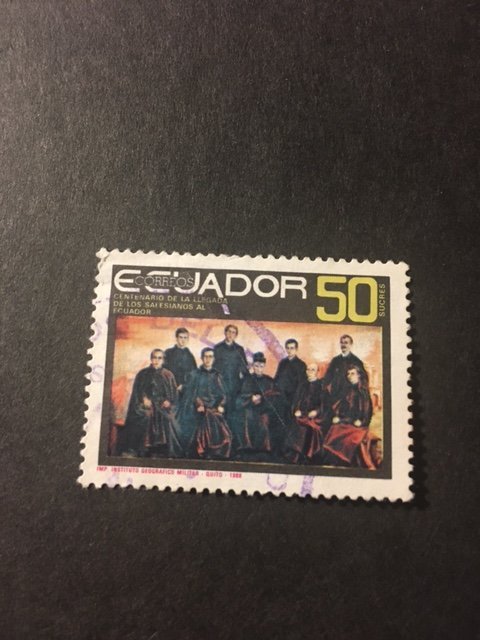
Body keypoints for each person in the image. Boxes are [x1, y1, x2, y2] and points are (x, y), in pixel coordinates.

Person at [123, 349, 183, 458]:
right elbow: (137, 393)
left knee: (168, 418)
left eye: (159, 358)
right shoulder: (142, 374)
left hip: (162, 406)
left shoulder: (168, 375)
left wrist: (168, 401)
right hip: (146, 405)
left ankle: (162, 449)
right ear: (151, 359)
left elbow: (174, 396)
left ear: (163, 360)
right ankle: (143, 448)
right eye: (154, 357)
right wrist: (143, 398)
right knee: (146, 415)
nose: (156, 360)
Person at [323, 365, 381, 469]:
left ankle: (349, 463)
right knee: (334, 430)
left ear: (359, 375)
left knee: (351, 439)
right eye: (348, 374)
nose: (350, 376)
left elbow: (367, 413)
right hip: (346, 422)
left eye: (352, 374)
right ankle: (337, 462)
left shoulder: (363, 392)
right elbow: (342, 409)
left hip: (359, 425)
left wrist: (361, 422)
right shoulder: (347, 391)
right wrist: (338, 417)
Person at [182, 347, 232, 459]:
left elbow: (223, 394)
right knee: (207, 416)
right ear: (201, 358)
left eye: (210, 357)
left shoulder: (217, 375)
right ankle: (205, 449)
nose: (208, 359)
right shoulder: (195, 374)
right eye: (205, 356)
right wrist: (199, 404)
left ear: (214, 359)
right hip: (198, 407)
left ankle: (216, 451)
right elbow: (191, 394)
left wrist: (221, 405)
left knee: (215, 418)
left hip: (214, 407)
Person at [235, 352, 282, 459]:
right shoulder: (247, 380)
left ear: (264, 366)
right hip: (249, 408)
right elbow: (240, 397)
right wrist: (251, 399)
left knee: (263, 421)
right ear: (253, 366)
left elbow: (274, 397)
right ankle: (247, 446)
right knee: (246, 417)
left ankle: (263, 448)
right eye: (256, 366)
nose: (258, 369)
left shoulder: (269, 381)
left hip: (264, 409)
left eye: (261, 366)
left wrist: (262, 399)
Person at [284, 363, 327, 464]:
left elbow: (324, 405)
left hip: (315, 416)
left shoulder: (321, 387)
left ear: (317, 372)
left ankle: (308, 455)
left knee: (310, 426)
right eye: (308, 370)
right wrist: (297, 409)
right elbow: (296, 402)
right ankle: (296, 454)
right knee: (296, 422)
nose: (310, 372)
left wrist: (316, 412)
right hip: (302, 414)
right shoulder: (302, 385)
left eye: (313, 370)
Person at [213, 324, 248, 416]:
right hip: (221, 383)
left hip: (235, 384)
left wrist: (242, 375)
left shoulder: (239, 349)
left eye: (233, 333)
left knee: (233, 409)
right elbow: (213, 366)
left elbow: (244, 367)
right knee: (221, 408)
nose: (231, 334)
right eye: (229, 332)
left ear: (236, 335)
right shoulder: (218, 348)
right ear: (225, 333)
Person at [323, 334, 367, 402]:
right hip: (335, 395)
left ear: (351, 345)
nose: (343, 345)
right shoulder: (335, 360)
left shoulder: (357, 361)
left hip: (350, 396)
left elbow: (363, 378)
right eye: (342, 343)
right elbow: (328, 376)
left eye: (346, 343)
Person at [274, 339, 307, 409]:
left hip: (293, 398)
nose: (289, 350)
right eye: (288, 348)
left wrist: (296, 401)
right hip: (280, 397)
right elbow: (277, 378)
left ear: (296, 349)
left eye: (292, 348)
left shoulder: (301, 365)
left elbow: (301, 385)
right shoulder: (282, 363)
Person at [164, 327, 197, 392]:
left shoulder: (190, 356)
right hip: (169, 389)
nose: (183, 340)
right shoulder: (168, 353)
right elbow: (163, 371)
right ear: (176, 338)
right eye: (181, 337)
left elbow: (194, 374)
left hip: (185, 390)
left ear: (188, 339)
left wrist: (184, 385)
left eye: (185, 338)